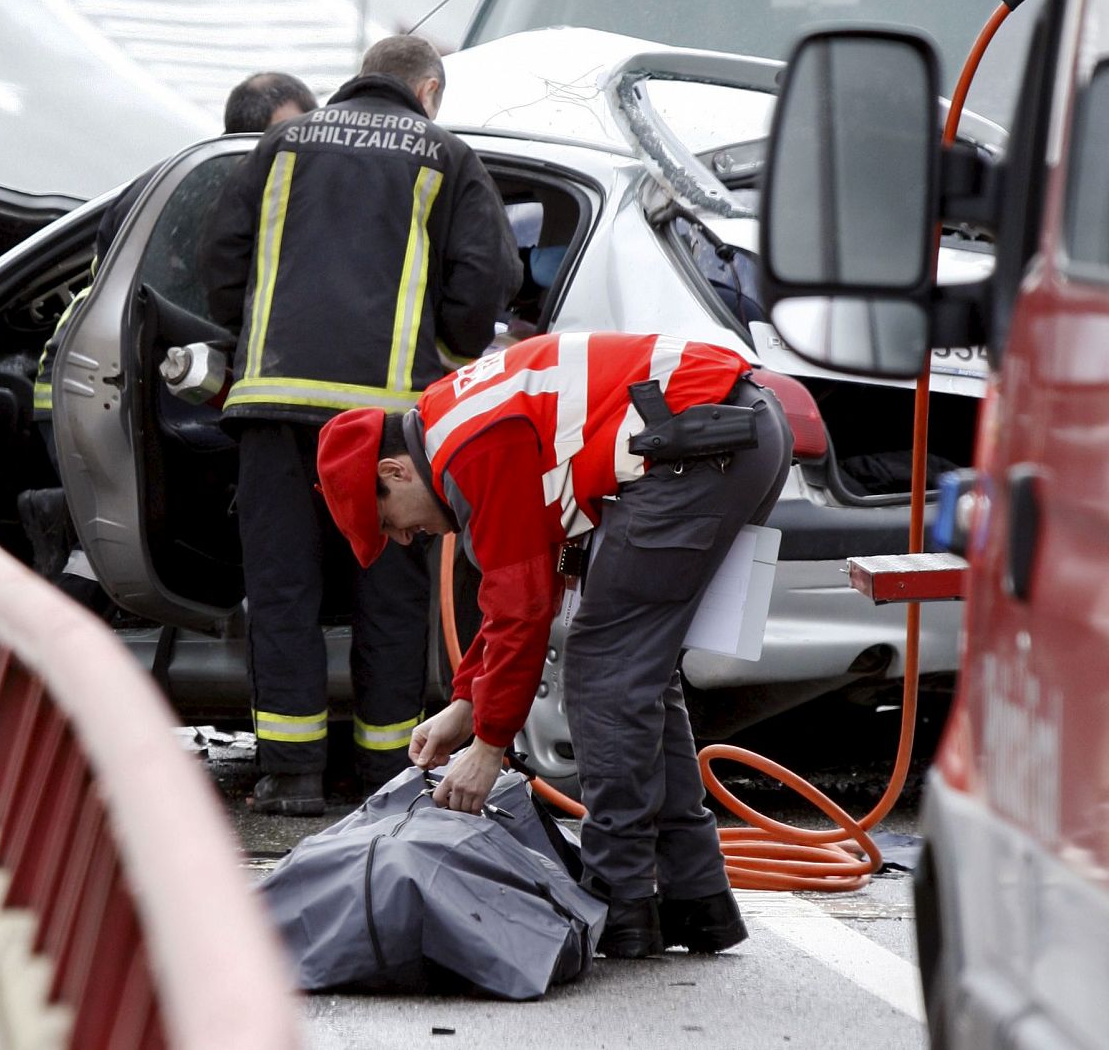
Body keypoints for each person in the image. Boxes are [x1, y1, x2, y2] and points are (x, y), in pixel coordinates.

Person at [314, 331, 793, 957]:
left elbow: (523, 607)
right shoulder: (457, 424)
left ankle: (620, 899)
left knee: (605, 664)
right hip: (724, 433)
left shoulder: (470, 449)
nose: (406, 539)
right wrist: (467, 704)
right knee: (632, 667)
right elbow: (523, 587)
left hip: (700, 444)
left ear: (393, 471)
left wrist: (488, 748)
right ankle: (695, 899)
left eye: (390, 522)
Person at [200, 35, 519, 815]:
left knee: (282, 589)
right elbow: (487, 280)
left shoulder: (281, 141)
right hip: (387, 420)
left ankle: (291, 775)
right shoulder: (445, 154)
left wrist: (253, 347)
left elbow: (219, 260)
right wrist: (438, 360)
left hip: (274, 407)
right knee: (390, 588)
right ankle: (385, 767)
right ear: (429, 90)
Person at [19, 72, 318, 584]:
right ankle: (69, 541)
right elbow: (174, 297)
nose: (302, 148)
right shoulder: (210, 189)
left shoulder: (239, 182)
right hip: (102, 381)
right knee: (114, 539)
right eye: (290, 133)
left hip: (151, 373)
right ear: (248, 136)